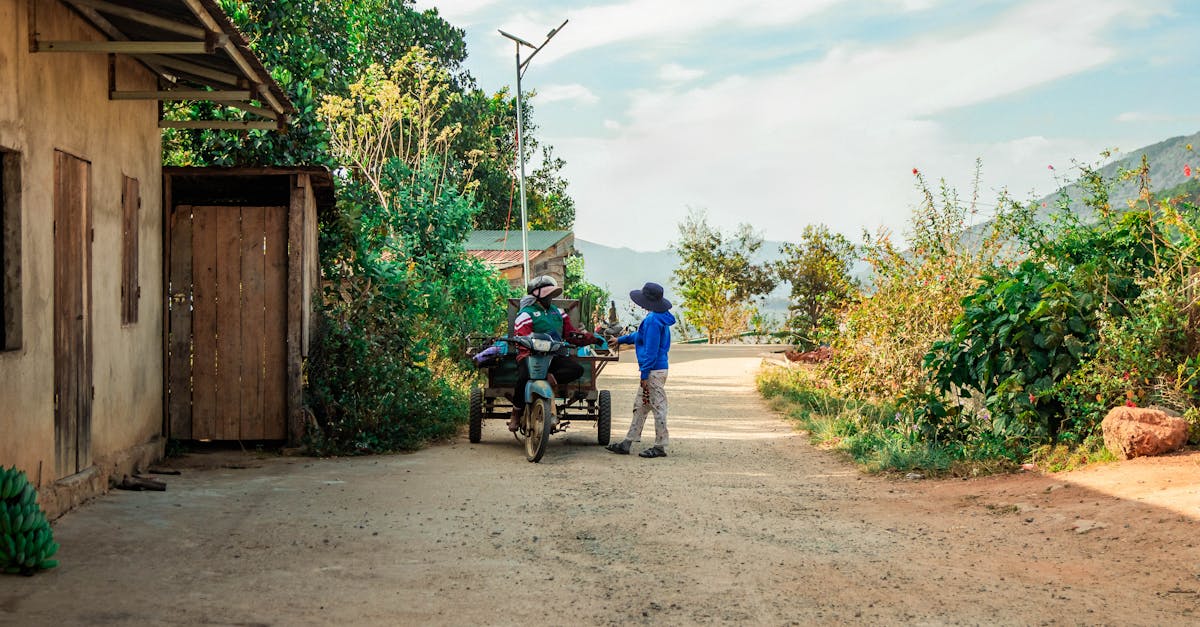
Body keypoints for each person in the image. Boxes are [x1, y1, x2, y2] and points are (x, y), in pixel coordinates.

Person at [507, 276, 598, 432]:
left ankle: (549, 387)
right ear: (536, 295)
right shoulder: (526, 313)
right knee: (523, 377)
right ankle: (516, 412)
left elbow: (570, 334)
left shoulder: (558, 313)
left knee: (577, 369)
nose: (551, 298)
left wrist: (591, 338)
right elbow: (521, 338)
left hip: (553, 356)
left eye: (551, 295)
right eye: (548, 295)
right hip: (530, 356)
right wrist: (529, 355)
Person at [605, 282, 676, 458]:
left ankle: (660, 446)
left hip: (653, 371)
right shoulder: (660, 317)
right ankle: (627, 442)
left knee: (658, 406)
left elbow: (651, 349)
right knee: (641, 406)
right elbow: (641, 336)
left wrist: (644, 374)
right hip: (657, 369)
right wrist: (622, 340)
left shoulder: (652, 320)